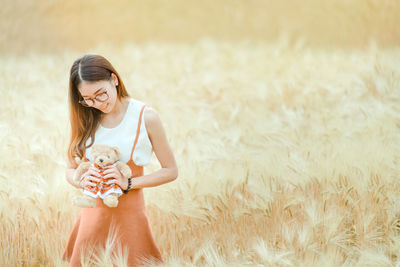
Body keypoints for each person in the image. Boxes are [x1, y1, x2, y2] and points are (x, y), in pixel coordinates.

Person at [62, 54, 178, 266]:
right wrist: (80, 180)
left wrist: (129, 183)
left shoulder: (145, 116)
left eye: (101, 94)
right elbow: (70, 169)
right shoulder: (85, 117)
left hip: (131, 218)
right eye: (88, 99)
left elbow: (171, 170)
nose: (97, 103)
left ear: (114, 79)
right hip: (92, 218)